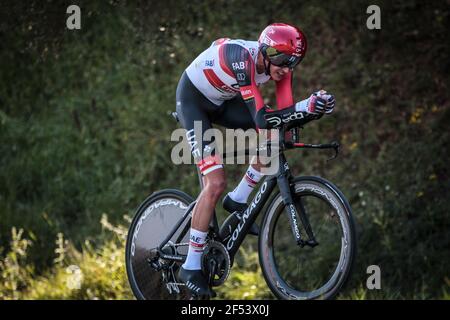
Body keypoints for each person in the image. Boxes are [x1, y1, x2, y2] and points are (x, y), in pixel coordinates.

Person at [175, 22, 335, 297]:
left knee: (275, 135)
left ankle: (238, 199)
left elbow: (285, 117)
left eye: (293, 63)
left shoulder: (281, 68)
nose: (286, 69)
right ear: (266, 51)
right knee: (214, 183)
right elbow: (262, 119)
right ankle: (190, 267)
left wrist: (312, 110)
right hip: (194, 101)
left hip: (222, 101)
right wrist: (303, 107)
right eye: (284, 61)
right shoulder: (242, 58)